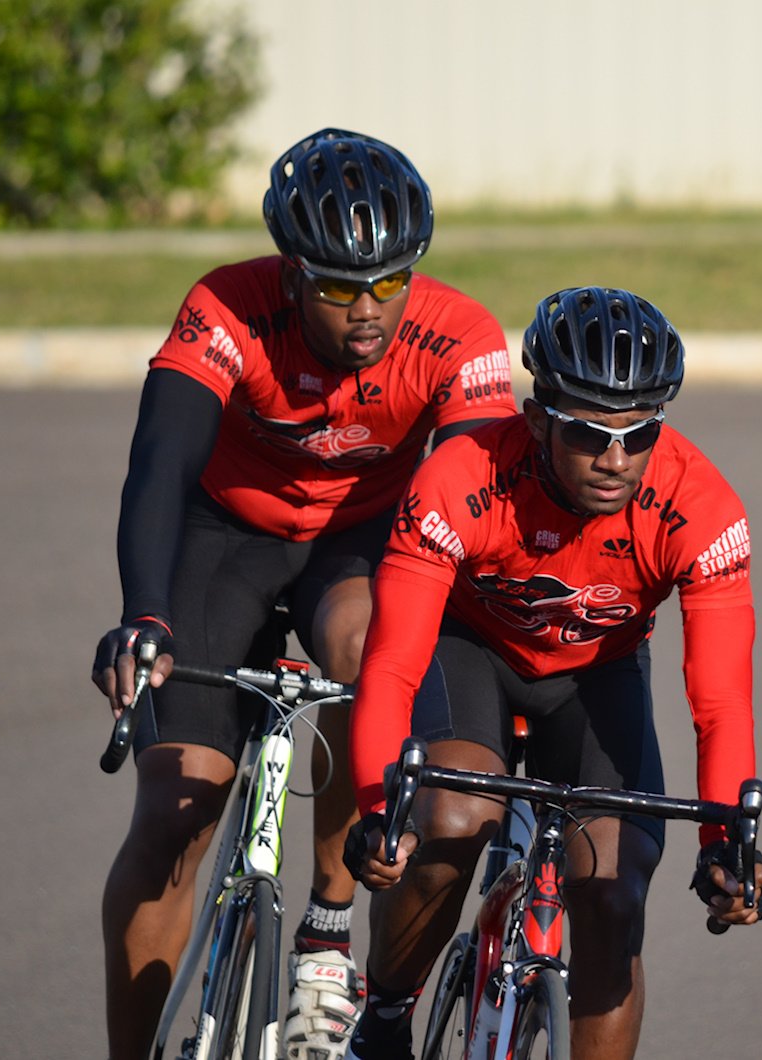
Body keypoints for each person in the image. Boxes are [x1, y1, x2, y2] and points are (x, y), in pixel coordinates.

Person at [90, 128, 517, 1060]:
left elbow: (481, 503)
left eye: (390, 281)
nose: (368, 308)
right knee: (174, 813)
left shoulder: (461, 334)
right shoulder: (226, 307)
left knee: (369, 659)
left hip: (363, 541)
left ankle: (327, 936)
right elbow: (160, 468)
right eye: (336, 285)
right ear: (290, 270)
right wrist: (145, 616)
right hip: (226, 534)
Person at [341, 286, 762, 1060]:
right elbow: (393, 661)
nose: (615, 460)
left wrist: (725, 843)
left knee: (612, 897)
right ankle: (382, 1023)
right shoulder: (459, 476)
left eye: (639, 435)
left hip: (594, 675)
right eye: (587, 433)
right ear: (536, 418)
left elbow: (720, 703)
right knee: (447, 824)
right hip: (468, 650)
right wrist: (380, 807)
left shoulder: (701, 508)